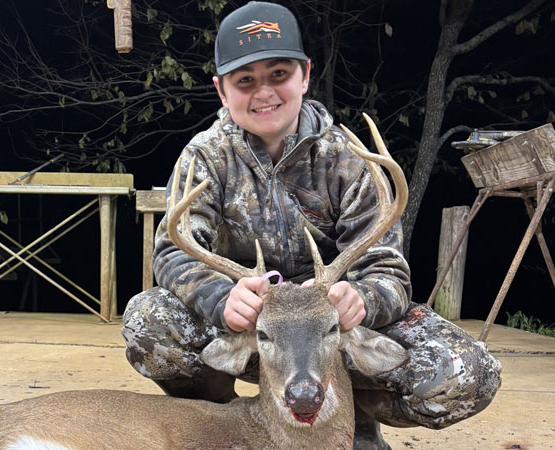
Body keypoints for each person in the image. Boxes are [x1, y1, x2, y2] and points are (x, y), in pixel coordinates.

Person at [122, 2, 502, 448]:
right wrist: (222, 298)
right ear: (222, 92)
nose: (264, 92)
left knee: (466, 374)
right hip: (252, 330)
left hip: (331, 333)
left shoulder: (349, 159)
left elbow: (389, 271)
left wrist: (361, 299)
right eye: (245, 81)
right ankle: (224, 421)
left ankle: (352, 421)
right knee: (149, 323)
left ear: (304, 74)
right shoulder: (206, 157)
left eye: (278, 74)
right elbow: (172, 251)